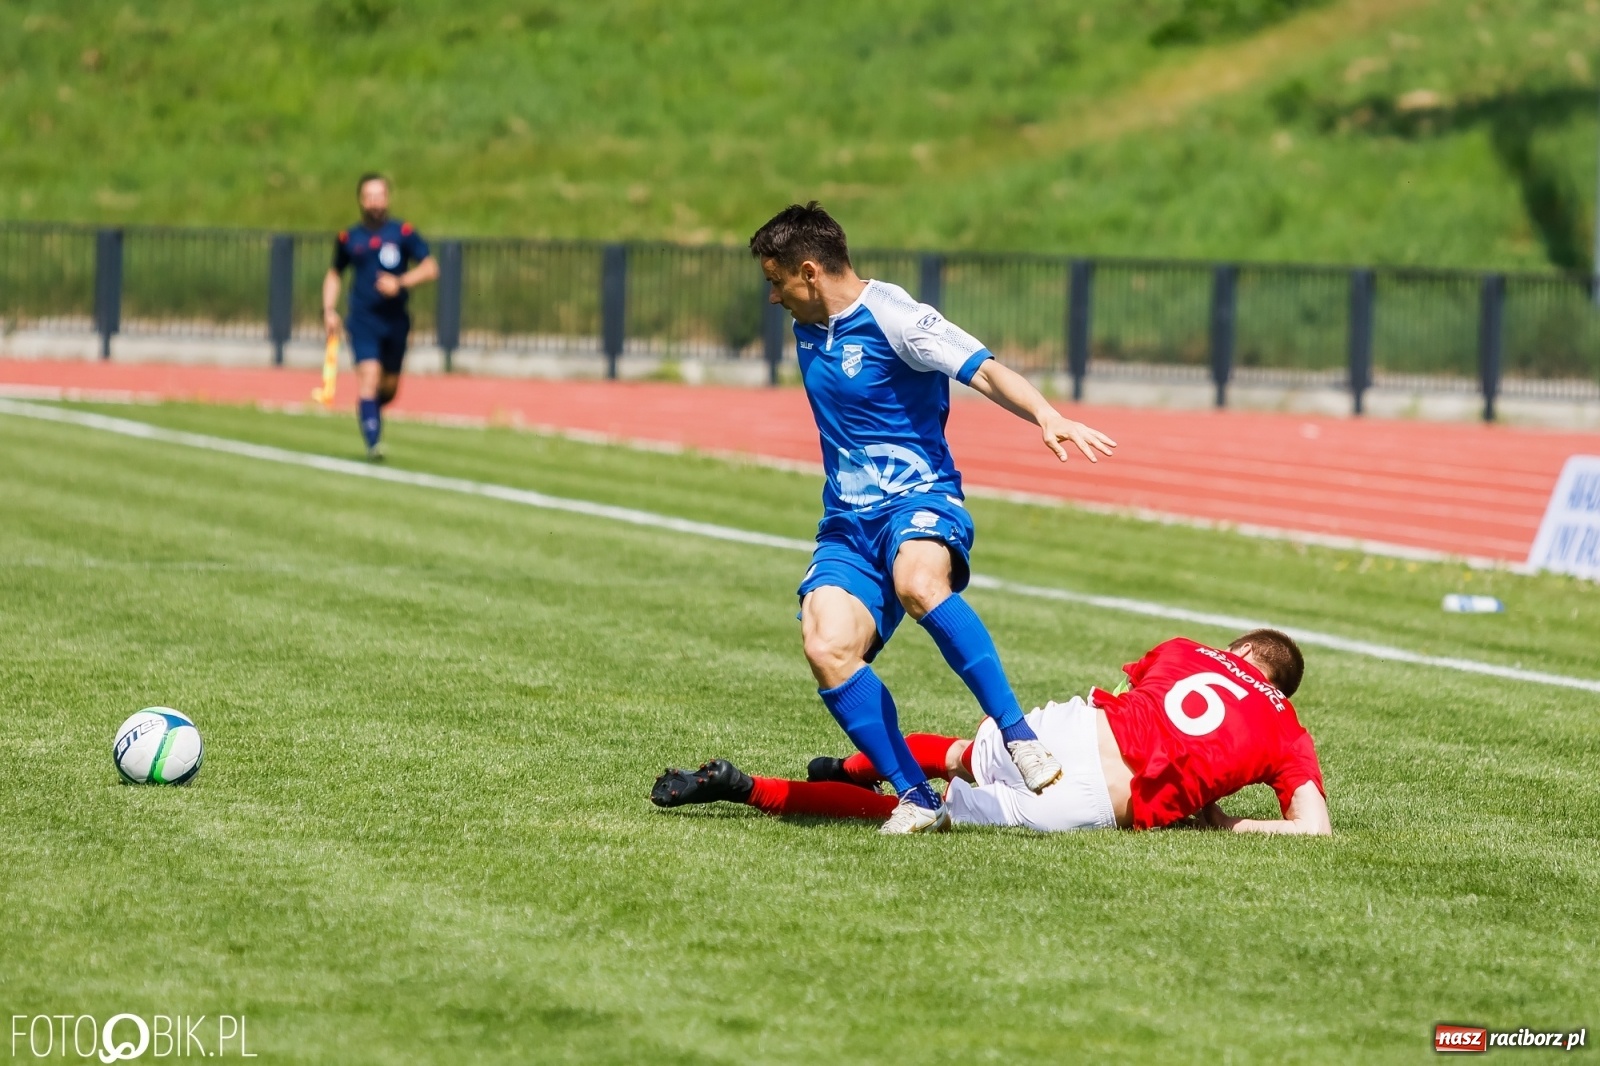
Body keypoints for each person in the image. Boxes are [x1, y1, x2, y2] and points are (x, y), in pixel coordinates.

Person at [747, 202, 1118, 834]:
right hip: (847, 525)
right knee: (825, 645)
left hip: (921, 501)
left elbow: (984, 369)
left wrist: (1047, 416)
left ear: (809, 272)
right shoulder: (810, 323)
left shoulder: (897, 316)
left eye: (776, 281)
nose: (773, 297)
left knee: (919, 582)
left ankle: (1019, 736)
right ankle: (917, 797)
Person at [652, 629, 1331, 836]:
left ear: (1237, 651)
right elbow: (1312, 831)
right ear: (1278, 684)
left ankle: (853, 765)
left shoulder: (1186, 649)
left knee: (953, 755)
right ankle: (749, 789)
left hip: (1063, 730)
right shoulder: (1290, 732)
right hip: (1091, 800)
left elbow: (1142, 713)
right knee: (920, 813)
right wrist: (1222, 821)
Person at [323, 173, 439, 460]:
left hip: (395, 321)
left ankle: (369, 409)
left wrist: (400, 283)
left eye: (379, 195)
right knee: (369, 377)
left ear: (387, 197)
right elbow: (334, 274)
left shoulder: (402, 233)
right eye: (369, 196)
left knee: (386, 390)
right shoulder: (349, 238)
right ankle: (374, 443)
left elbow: (430, 268)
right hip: (363, 320)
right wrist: (328, 310)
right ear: (361, 200)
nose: (375, 201)